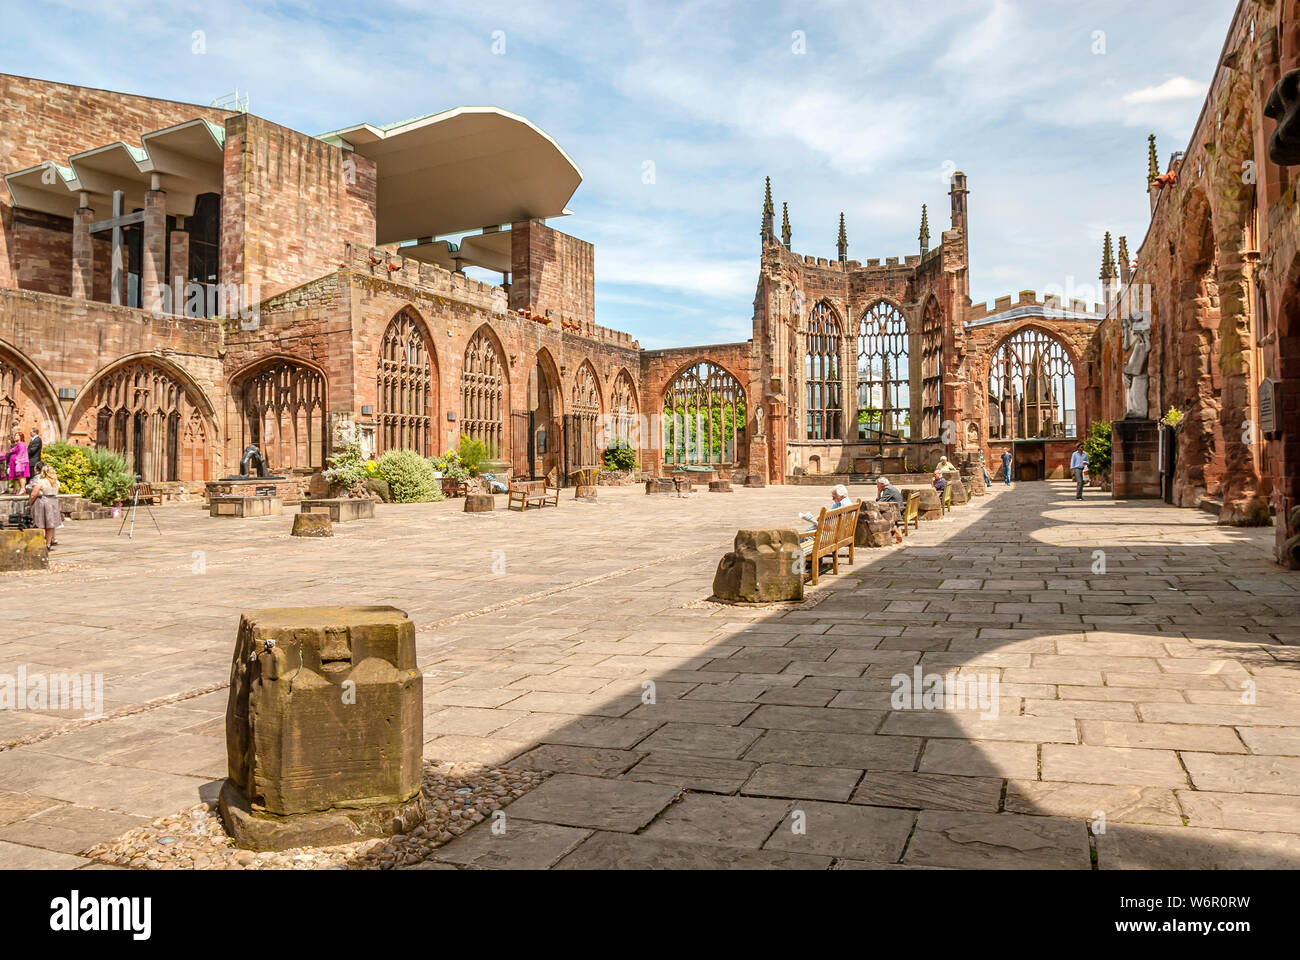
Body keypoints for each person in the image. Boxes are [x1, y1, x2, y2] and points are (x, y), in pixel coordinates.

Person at [28, 463, 61, 547]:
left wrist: (31, 503)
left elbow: (33, 494)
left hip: (43, 502)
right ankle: (48, 544)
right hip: (54, 502)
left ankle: (42, 543)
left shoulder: (41, 482)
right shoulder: (57, 482)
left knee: (41, 523)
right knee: (50, 525)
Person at [7, 430, 29, 494]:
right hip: (16, 462)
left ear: (21, 437)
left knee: (21, 476)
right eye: (15, 435)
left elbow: (21, 452)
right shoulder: (18, 444)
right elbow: (12, 451)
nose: (15, 436)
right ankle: (21, 488)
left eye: (17, 435)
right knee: (18, 476)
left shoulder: (21, 443)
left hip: (20, 462)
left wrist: (17, 460)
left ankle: (22, 488)